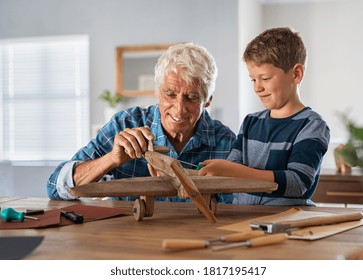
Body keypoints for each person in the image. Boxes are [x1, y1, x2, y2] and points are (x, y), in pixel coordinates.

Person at [47, 42, 236, 202]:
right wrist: (111, 159)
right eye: (170, 94)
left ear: (208, 100)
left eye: (192, 97)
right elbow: (55, 187)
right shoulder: (125, 124)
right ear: (157, 91)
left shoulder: (226, 142)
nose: (179, 109)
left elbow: (244, 207)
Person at [198, 27, 330, 206]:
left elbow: (297, 183)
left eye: (265, 78)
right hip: (243, 220)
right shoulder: (251, 122)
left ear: (296, 74)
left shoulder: (311, 125)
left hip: (287, 221)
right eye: (253, 79)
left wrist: (232, 171)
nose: (257, 87)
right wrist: (220, 171)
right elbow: (232, 167)